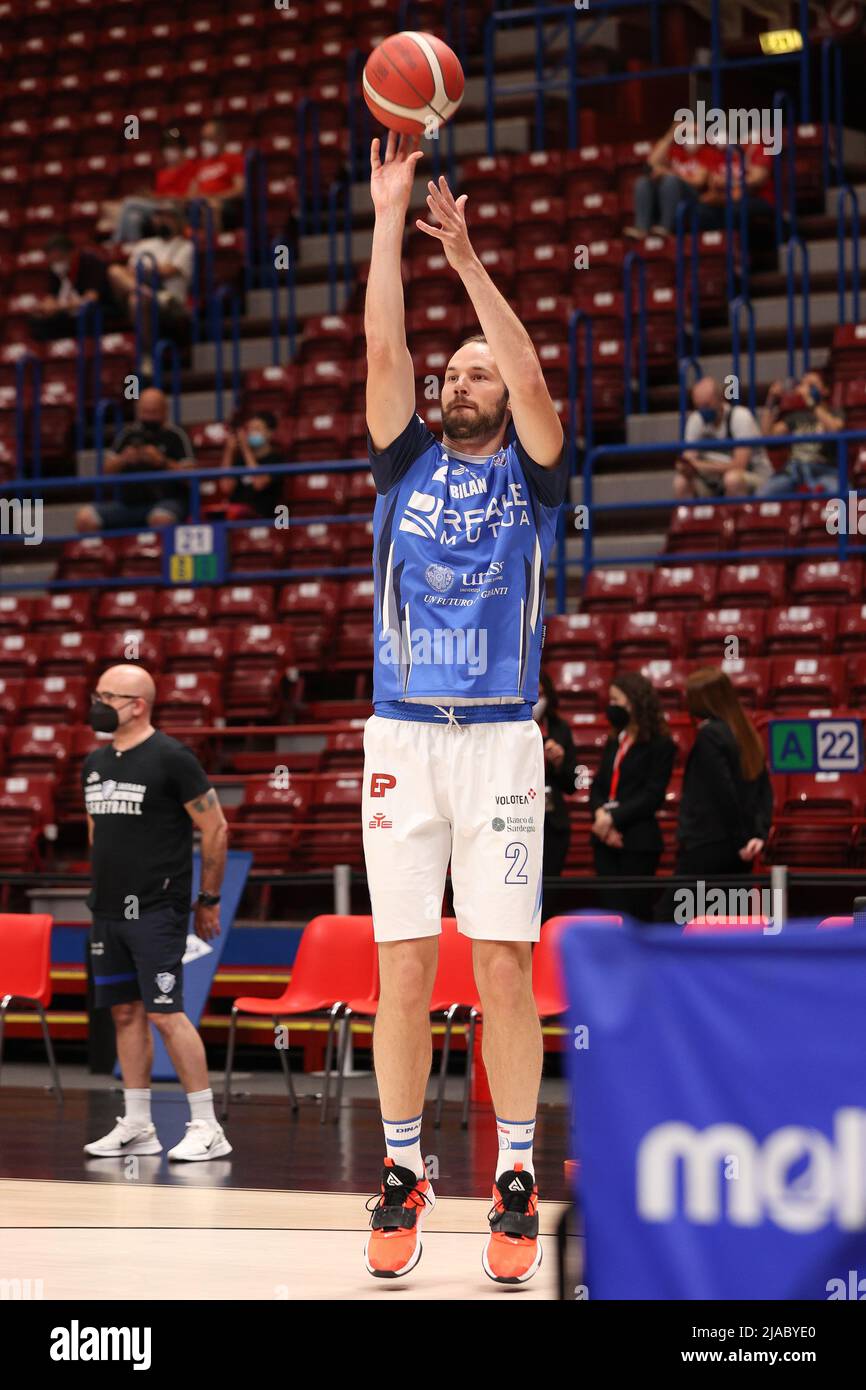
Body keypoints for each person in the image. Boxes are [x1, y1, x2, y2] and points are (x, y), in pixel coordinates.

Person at [361, 131, 567, 1284]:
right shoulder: (403, 465)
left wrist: (471, 263)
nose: (457, 377)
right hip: (402, 736)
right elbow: (384, 343)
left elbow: (534, 381)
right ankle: (402, 1170)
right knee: (400, 966)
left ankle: (515, 1177)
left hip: (497, 738)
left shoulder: (530, 476)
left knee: (497, 963)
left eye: (472, 366)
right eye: (452, 369)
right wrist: (390, 214)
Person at [81, 664, 231, 1161]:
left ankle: (207, 1126)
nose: (97, 703)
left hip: (157, 906)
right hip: (107, 908)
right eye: (96, 693)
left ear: (137, 704)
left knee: (166, 1014)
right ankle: (139, 1124)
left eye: (108, 695)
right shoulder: (95, 763)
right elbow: (97, 833)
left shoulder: (172, 758)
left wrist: (207, 900)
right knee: (125, 1012)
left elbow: (216, 828)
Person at [657, 667, 772, 923]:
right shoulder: (745, 732)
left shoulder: (710, 735)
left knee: (669, 919)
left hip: (708, 849)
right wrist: (757, 835)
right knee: (727, 922)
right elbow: (764, 791)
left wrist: (742, 839)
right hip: (739, 851)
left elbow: (724, 793)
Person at [588, 672, 675, 920]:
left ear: (635, 702)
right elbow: (598, 786)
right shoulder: (616, 739)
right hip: (604, 841)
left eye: (617, 700)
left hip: (637, 841)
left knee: (634, 914)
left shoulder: (661, 743)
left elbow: (652, 795)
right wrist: (600, 816)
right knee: (611, 915)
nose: (612, 707)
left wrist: (612, 818)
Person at [75, 388, 193, 532]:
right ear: (137, 411)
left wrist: (162, 461)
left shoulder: (176, 436)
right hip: (128, 504)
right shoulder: (127, 435)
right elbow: (104, 474)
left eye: (154, 412)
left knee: (160, 518)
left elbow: (191, 477)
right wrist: (123, 459)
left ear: (165, 411)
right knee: (85, 519)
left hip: (167, 501)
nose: (149, 418)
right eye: (145, 412)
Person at [107, 202, 193, 368]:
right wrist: (150, 272)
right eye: (158, 217)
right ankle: (148, 355)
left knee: (137, 299)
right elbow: (129, 272)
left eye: (167, 217)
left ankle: (147, 355)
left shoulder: (186, 246)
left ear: (178, 220)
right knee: (116, 273)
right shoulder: (144, 245)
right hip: (147, 295)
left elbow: (168, 271)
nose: (162, 221)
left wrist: (144, 270)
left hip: (171, 303)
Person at [100, 127, 197, 245]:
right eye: (166, 147)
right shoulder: (162, 173)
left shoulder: (190, 167)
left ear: (182, 148)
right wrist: (151, 196)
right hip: (159, 207)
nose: (169, 151)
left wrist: (158, 197)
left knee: (128, 202)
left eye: (173, 147)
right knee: (133, 218)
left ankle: (115, 241)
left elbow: (187, 196)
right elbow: (159, 196)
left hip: (175, 208)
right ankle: (135, 251)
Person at [677, 376, 770, 498]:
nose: (703, 410)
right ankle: (696, 517)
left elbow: (739, 465)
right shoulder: (696, 420)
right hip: (713, 480)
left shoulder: (740, 417)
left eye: (706, 405)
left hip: (753, 476)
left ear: (720, 399)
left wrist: (700, 466)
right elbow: (688, 459)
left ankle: (737, 517)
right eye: (699, 406)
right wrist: (684, 467)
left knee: (732, 479)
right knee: (681, 482)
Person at [626, 121, 719, 238]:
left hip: (694, 196)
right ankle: (641, 228)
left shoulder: (707, 153)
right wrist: (670, 135)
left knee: (671, 181)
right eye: (687, 133)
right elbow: (651, 162)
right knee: (643, 182)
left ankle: (665, 226)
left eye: (695, 134)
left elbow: (698, 182)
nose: (691, 138)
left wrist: (669, 173)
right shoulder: (676, 151)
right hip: (668, 193)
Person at [758, 371, 844, 496]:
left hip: (824, 470)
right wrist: (771, 400)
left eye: (812, 385)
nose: (806, 389)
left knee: (841, 493)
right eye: (804, 385)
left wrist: (812, 404)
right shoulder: (796, 416)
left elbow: (835, 429)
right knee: (762, 494)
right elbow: (767, 435)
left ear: (825, 390)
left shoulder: (835, 412)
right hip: (795, 470)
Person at [533, 669, 577, 878]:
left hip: (552, 822)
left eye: (541, 695)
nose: (537, 701)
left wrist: (559, 763)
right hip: (516, 817)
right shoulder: (507, 729)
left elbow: (571, 784)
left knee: (549, 885)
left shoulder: (560, 728)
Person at [217, 411, 284, 519]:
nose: (252, 433)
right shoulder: (239, 460)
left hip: (262, 516)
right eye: (250, 429)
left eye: (257, 429)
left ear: (270, 433)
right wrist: (229, 451)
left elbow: (259, 483)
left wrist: (245, 448)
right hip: (236, 516)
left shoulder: (276, 460)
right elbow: (225, 487)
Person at [186, 120, 245, 230]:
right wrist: (204, 198)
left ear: (221, 138)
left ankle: (213, 245)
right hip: (201, 203)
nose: (206, 142)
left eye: (210, 138)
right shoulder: (199, 164)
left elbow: (240, 189)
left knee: (212, 207)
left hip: (225, 205)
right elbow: (191, 193)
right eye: (203, 139)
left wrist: (215, 197)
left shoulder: (234, 159)